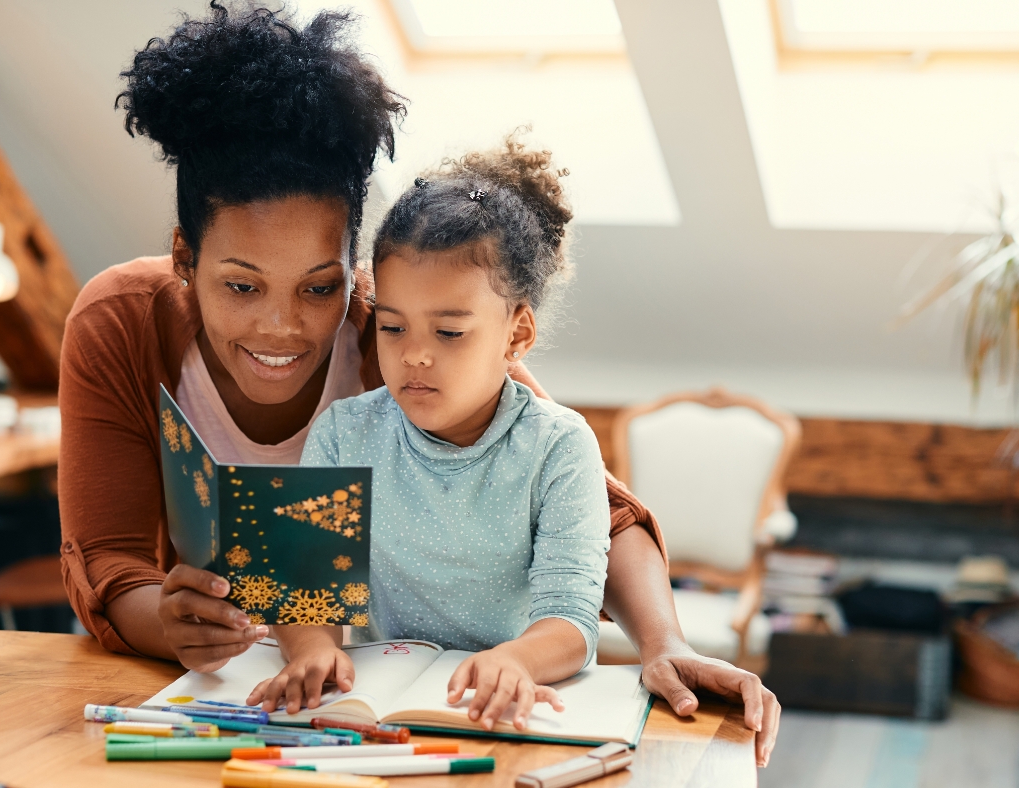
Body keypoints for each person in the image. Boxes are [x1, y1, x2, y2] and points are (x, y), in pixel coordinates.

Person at [56, 2, 781, 766]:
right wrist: (169, 623)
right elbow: (107, 561)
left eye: (318, 287)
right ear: (184, 258)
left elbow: (596, 512)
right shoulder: (120, 324)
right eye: (240, 287)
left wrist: (664, 643)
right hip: (219, 700)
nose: (282, 329)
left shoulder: (400, 332)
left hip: (397, 704)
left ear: (353, 268)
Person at [250, 137, 607, 731]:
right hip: (370, 710)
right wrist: (312, 648)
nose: (413, 356)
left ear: (516, 335)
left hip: (495, 714)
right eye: (392, 327)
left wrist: (517, 660)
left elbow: (571, 619)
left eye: (448, 333)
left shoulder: (559, 448)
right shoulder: (343, 432)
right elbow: (302, 589)